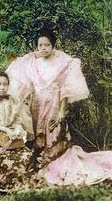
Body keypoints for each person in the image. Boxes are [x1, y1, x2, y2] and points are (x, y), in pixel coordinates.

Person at [6, 29, 90, 168]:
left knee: (53, 131)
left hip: (53, 104)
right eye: (41, 45)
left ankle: (51, 161)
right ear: (37, 46)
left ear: (53, 46)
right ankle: (35, 161)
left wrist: (62, 111)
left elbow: (65, 89)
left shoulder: (62, 62)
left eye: (47, 45)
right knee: (36, 134)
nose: (44, 48)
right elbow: (21, 79)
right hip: (36, 104)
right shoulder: (31, 61)